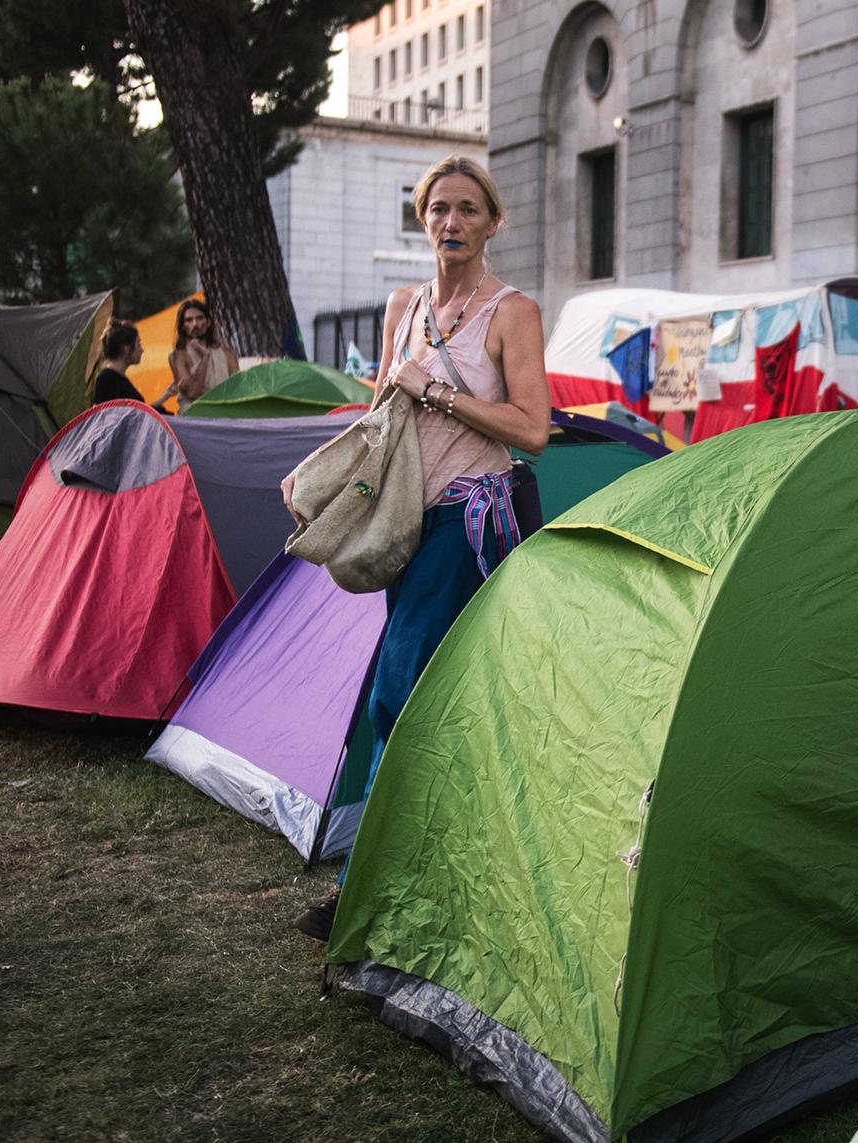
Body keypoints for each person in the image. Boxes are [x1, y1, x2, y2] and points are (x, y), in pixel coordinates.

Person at [286, 155, 551, 939]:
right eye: (439, 208)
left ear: (493, 221)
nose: (452, 223)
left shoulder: (513, 312)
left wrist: (434, 388)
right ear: (421, 217)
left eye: (469, 209)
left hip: (470, 523)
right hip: (404, 522)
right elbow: (378, 422)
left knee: (394, 694)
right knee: (433, 695)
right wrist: (323, 480)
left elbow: (534, 428)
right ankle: (440, 862)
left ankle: (364, 887)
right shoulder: (403, 305)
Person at [168, 298, 237, 412]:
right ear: (183, 326)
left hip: (224, 416)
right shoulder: (178, 356)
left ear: (208, 322)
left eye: (199, 318)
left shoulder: (227, 354)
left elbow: (236, 390)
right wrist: (205, 357)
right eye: (189, 320)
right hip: (194, 420)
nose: (195, 324)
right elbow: (192, 393)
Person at [91, 321, 146, 404]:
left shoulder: (117, 377)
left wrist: (164, 396)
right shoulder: (107, 380)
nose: (142, 350)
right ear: (126, 349)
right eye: (138, 344)